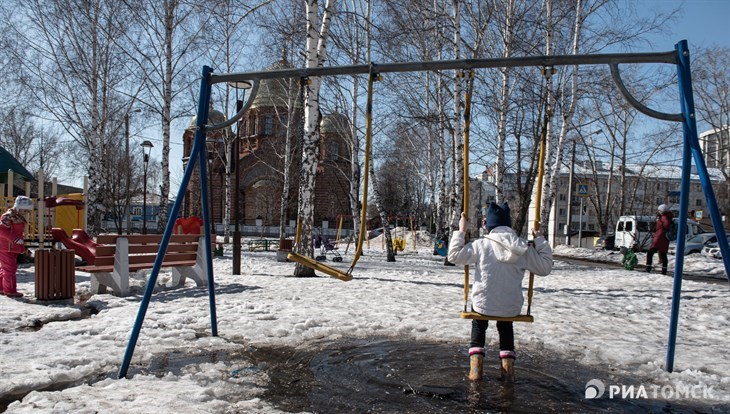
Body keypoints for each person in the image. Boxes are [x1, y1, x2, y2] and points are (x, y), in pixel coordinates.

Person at [448, 202, 553, 381]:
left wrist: (460, 231)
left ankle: (475, 372)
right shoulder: (523, 247)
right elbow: (545, 268)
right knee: (506, 325)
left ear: (489, 226)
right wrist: (540, 240)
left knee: (478, 323)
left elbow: (453, 256)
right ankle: (508, 373)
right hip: (510, 307)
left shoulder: (481, 245)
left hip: (483, 305)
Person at [0, 196, 34, 297]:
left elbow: (18, 234)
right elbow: (1, 230)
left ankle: (2, 287)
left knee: (5, 268)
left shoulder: (17, 216)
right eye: (25, 210)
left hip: (12, 246)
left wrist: (21, 247)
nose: (26, 213)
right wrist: (14, 239)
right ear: (19, 207)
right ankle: (10, 290)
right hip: (5, 246)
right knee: (10, 269)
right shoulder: (8, 216)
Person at [646, 204, 673, 275]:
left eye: (659, 210)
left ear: (662, 211)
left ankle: (648, 268)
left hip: (660, 238)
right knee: (663, 254)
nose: (658, 211)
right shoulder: (668, 216)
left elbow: (666, 225)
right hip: (663, 239)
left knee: (650, 253)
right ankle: (664, 270)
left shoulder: (664, 217)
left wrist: (659, 222)